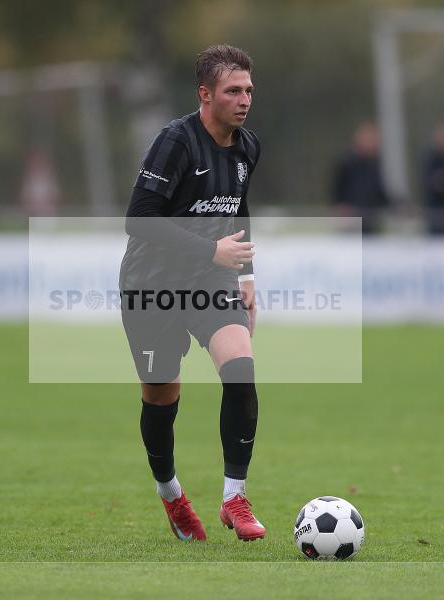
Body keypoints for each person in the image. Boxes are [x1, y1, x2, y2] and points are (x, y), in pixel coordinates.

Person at [120, 45, 264, 542]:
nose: (244, 99)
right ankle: (171, 495)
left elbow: (239, 209)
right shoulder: (175, 143)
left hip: (212, 282)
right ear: (205, 95)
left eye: (248, 89)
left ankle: (234, 498)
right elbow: (138, 219)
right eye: (232, 91)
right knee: (162, 397)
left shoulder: (248, 147)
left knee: (241, 369)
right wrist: (210, 252)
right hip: (152, 286)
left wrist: (245, 278)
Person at [331, 122, 389, 235]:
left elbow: (380, 193)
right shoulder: (346, 161)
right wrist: (341, 207)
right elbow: (336, 189)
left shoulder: (375, 165)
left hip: (370, 221)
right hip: (351, 222)